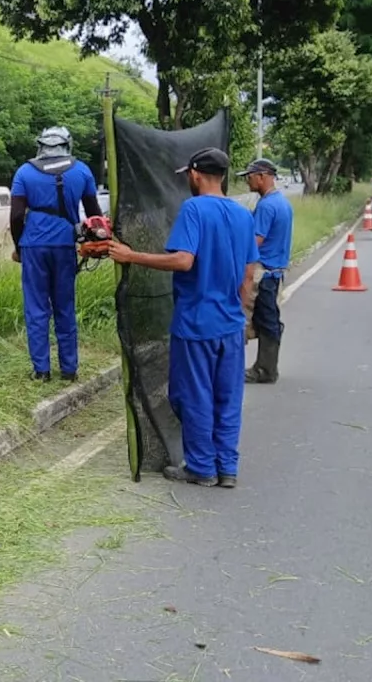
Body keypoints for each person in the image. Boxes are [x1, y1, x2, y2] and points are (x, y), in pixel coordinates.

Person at [109, 148, 259, 488]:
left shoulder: (194, 209)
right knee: (228, 399)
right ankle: (227, 469)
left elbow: (183, 261)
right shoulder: (242, 215)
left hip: (196, 325)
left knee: (194, 396)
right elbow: (248, 275)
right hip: (231, 325)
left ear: (195, 174)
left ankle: (202, 467)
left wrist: (131, 255)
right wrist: (240, 313)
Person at [10, 126, 104, 382]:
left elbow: (17, 216)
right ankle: (70, 370)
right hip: (65, 246)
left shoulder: (24, 172)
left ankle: (41, 371)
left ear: (40, 145)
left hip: (34, 248)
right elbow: (94, 215)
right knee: (65, 306)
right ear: (67, 145)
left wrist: (19, 248)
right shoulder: (82, 170)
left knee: (37, 308)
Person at [239, 158, 294, 384]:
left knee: (257, 319)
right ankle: (264, 366)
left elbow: (254, 243)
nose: (247, 181)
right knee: (267, 318)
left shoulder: (266, 206)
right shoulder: (282, 202)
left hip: (264, 273)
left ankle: (266, 369)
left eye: (249, 176)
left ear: (262, 176)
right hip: (276, 271)